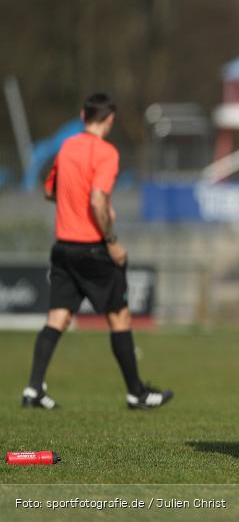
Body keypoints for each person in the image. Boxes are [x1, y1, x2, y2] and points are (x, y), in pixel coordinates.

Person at [22, 93, 173, 410]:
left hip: (62, 246)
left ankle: (33, 389)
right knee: (119, 316)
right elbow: (97, 199)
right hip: (92, 248)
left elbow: (50, 190)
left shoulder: (67, 146)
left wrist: (71, 203)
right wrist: (112, 239)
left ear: (82, 115)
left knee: (57, 317)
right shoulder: (105, 153)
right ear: (110, 119)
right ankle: (136, 393)